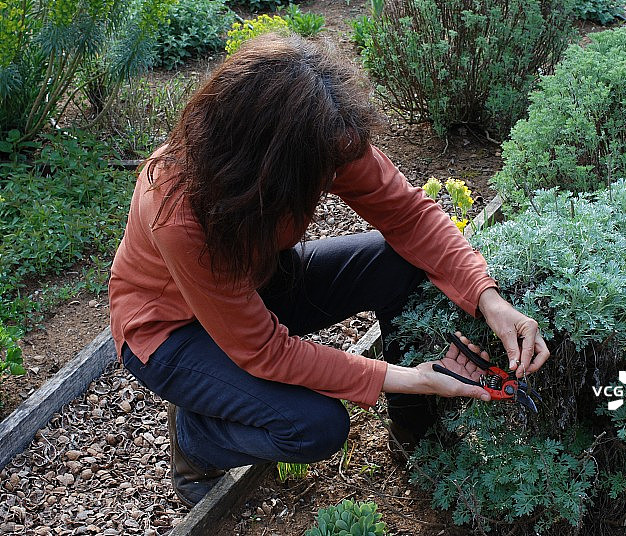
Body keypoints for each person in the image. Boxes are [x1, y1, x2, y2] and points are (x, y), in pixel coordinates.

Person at [108, 33, 550, 507]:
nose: (327, 186)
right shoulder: (179, 209)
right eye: (316, 180)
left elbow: (409, 214)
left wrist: (491, 300)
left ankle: (414, 436)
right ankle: (197, 438)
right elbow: (264, 351)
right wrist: (407, 375)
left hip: (254, 285)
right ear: (264, 166)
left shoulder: (319, 134)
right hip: (173, 332)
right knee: (315, 428)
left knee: (398, 262)